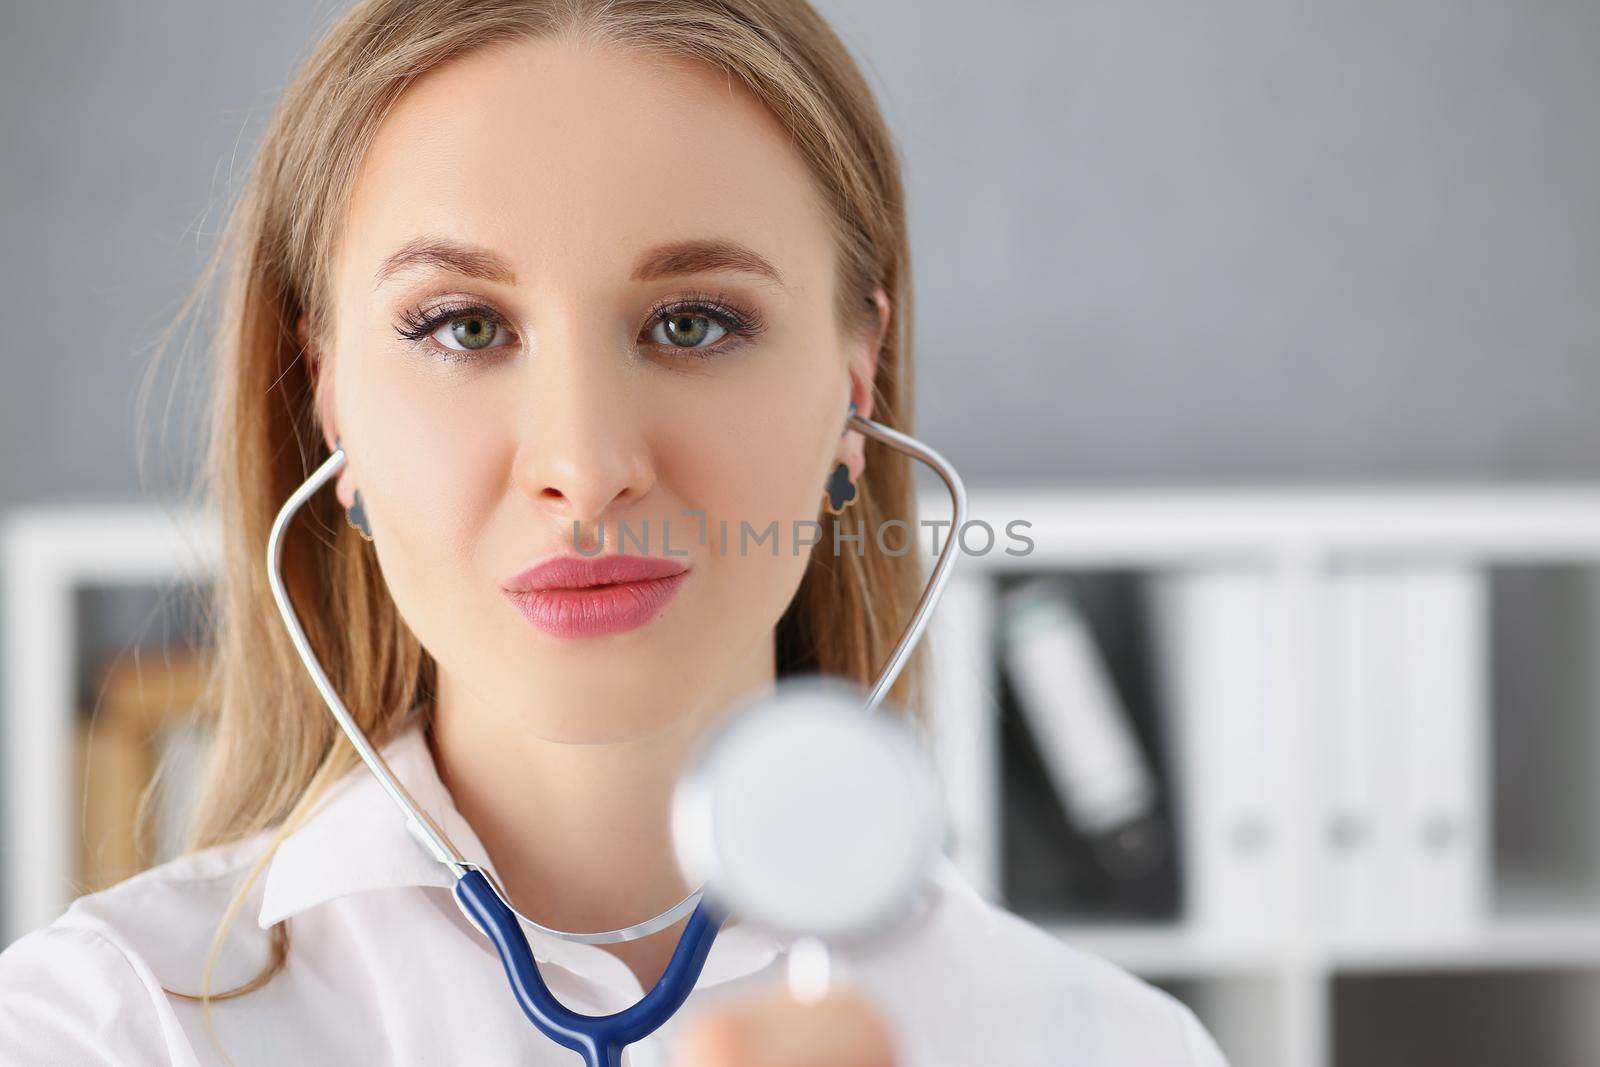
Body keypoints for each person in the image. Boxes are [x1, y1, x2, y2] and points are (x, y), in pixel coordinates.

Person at [0, 1, 1231, 1064]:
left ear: (857, 382)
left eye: (692, 323)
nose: (586, 471)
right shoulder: (105, 1026)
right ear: (330, 404)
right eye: (464, 327)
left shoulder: (1113, 1046)